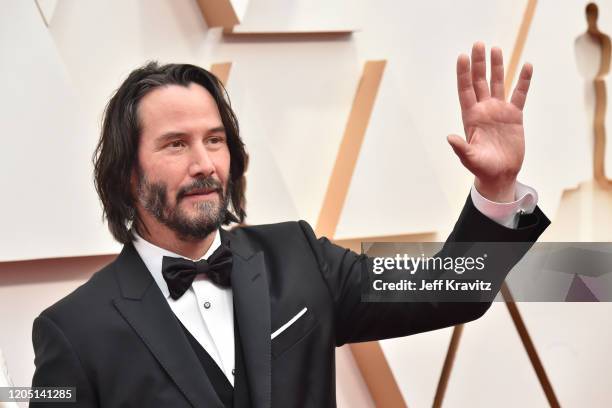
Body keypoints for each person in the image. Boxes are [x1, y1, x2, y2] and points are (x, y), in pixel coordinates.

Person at [30, 43, 549, 407]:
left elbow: (453, 289)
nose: (205, 164)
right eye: (175, 144)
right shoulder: (75, 331)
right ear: (126, 173)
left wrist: (497, 189)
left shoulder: (300, 257)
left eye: (215, 140)